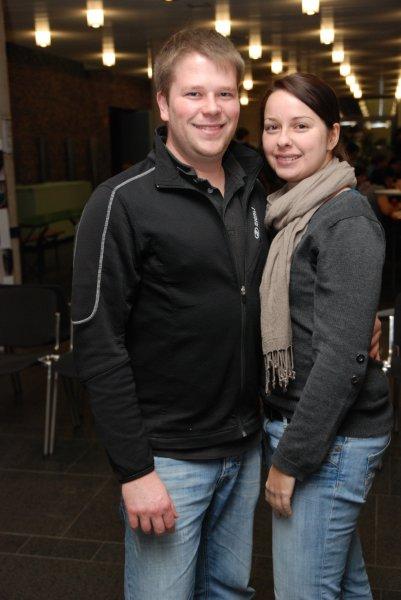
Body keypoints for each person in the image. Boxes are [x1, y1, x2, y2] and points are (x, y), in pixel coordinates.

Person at [72, 28, 269, 599]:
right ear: (162, 103)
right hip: (168, 460)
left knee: (230, 591)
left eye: (225, 93)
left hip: (244, 443)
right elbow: (98, 343)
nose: (212, 108)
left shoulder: (257, 184)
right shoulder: (121, 201)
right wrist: (135, 471)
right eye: (194, 93)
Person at [260, 72, 393, 599]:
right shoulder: (292, 209)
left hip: (330, 438)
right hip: (313, 427)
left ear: (333, 134)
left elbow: (341, 358)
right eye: (272, 126)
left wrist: (290, 461)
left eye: (301, 125)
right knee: (341, 584)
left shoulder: (344, 221)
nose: (283, 140)